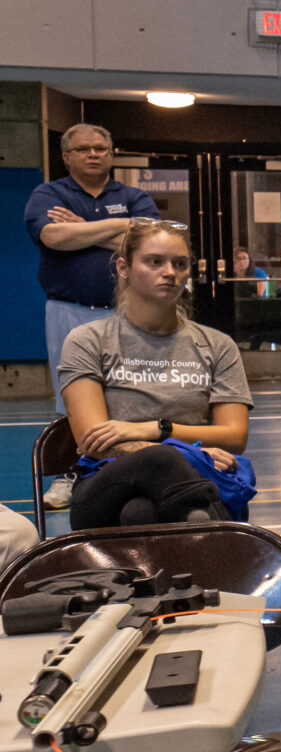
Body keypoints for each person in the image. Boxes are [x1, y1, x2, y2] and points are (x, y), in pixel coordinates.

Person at [58, 219, 254, 531]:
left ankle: (189, 568)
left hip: (184, 487)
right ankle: (223, 549)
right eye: (154, 262)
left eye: (179, 263)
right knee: (160, 461)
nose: (170, 272)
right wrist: (187, 453)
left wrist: (156, 430)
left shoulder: (217, 345)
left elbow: (234, 437)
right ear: (124, 268)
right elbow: (93, 439)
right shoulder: (89, 340)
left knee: (140, 513)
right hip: (104, 487)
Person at [27, 123, 159, 508]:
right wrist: (121, 229)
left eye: (101, 147)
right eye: (83, 149)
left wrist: (82, 229)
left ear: (112, 153)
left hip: (127, 315)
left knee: (131, 393)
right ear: (66, 157)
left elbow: (151, 242)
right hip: (68, 311)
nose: (93, 154)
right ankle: (71, 473)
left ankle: (128, 468)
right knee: (71, 396)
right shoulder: (48, 193)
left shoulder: (133, 195)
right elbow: (52, 237)